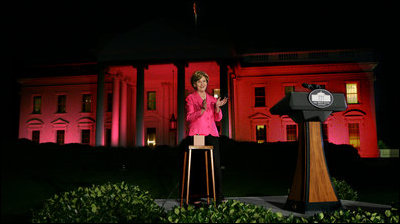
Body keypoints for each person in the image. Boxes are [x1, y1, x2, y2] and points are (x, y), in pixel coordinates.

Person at [180, 70, 228, 206]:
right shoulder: (190, 98)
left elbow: (218, 118)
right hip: (198, 134)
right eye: (199, 81)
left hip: (212, 133)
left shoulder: (213, 99)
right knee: (198, 164)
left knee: (215, 164)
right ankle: (195, 196)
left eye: (204, 81)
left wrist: (217, 108)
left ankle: (218, 195)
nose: (202, 84)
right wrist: (201, 110)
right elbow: (189, 117)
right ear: (194, 84)